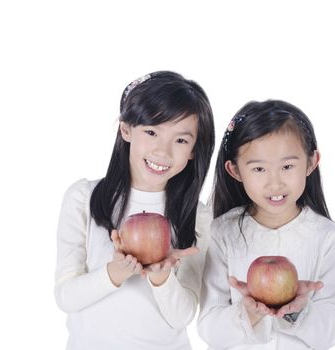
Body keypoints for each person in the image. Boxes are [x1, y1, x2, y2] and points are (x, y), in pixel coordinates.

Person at [54, 71, 215, 349]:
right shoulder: (84, 198)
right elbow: (66, 296)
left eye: (181, 140)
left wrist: (161, 277)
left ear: (193, 150)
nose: (163, 151)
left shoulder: (196, 217)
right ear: (126, 129)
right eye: (151, 132)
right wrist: (117, 271)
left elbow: (183, 315)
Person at [198, 100, 335, 349]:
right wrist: (248, 314)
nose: (274, 183)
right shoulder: (222, 233)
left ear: (311, 162)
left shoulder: (327, 236)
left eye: (287, 166)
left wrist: (299, 312)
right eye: (258, 169)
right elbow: (208, 328)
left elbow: (330, 331)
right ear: (234, 170)